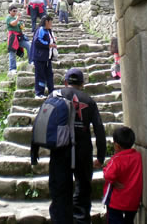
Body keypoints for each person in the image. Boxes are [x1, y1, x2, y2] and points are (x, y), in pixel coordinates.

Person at [46, 68, 106, 224]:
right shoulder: (89, 100)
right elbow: (99, 129)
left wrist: (37, 148)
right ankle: (80, 219)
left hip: (60, 149)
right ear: (82, 84)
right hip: (83, 150)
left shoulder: (54, 96)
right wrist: (100, 155)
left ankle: (60, 220)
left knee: (59, 189)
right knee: (83, 188)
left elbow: (43, 122)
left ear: (65, 82)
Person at [103, 126, 143, 224]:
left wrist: (115, 183)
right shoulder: (137, 157)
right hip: (132, 202)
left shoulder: (116, 159)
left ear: (117, 145)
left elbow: (108, 174)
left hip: (116, 202)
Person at [30, 15, 56, 99]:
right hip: (39, 57)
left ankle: (51, 92)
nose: (51, 24)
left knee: (49, 75)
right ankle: (39, 93)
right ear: (46, 22)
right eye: (50, 22)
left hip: (47, 58)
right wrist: (48, 45)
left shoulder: (49, 31)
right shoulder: (41, 30)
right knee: (40, 75)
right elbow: (37, 41)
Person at [6, 4, 31, 76]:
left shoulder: (16, 18)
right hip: (13, 37)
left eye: (16, 11)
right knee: (12, 52)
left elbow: (20, 27)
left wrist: (22, 25)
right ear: (10, 11)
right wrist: (18, 18)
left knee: (29, 45)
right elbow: (13, 24)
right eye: (14, 11)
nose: (15, 12)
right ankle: (12, 69)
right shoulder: (8, 18)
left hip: (20, 37)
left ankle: (31, 61)